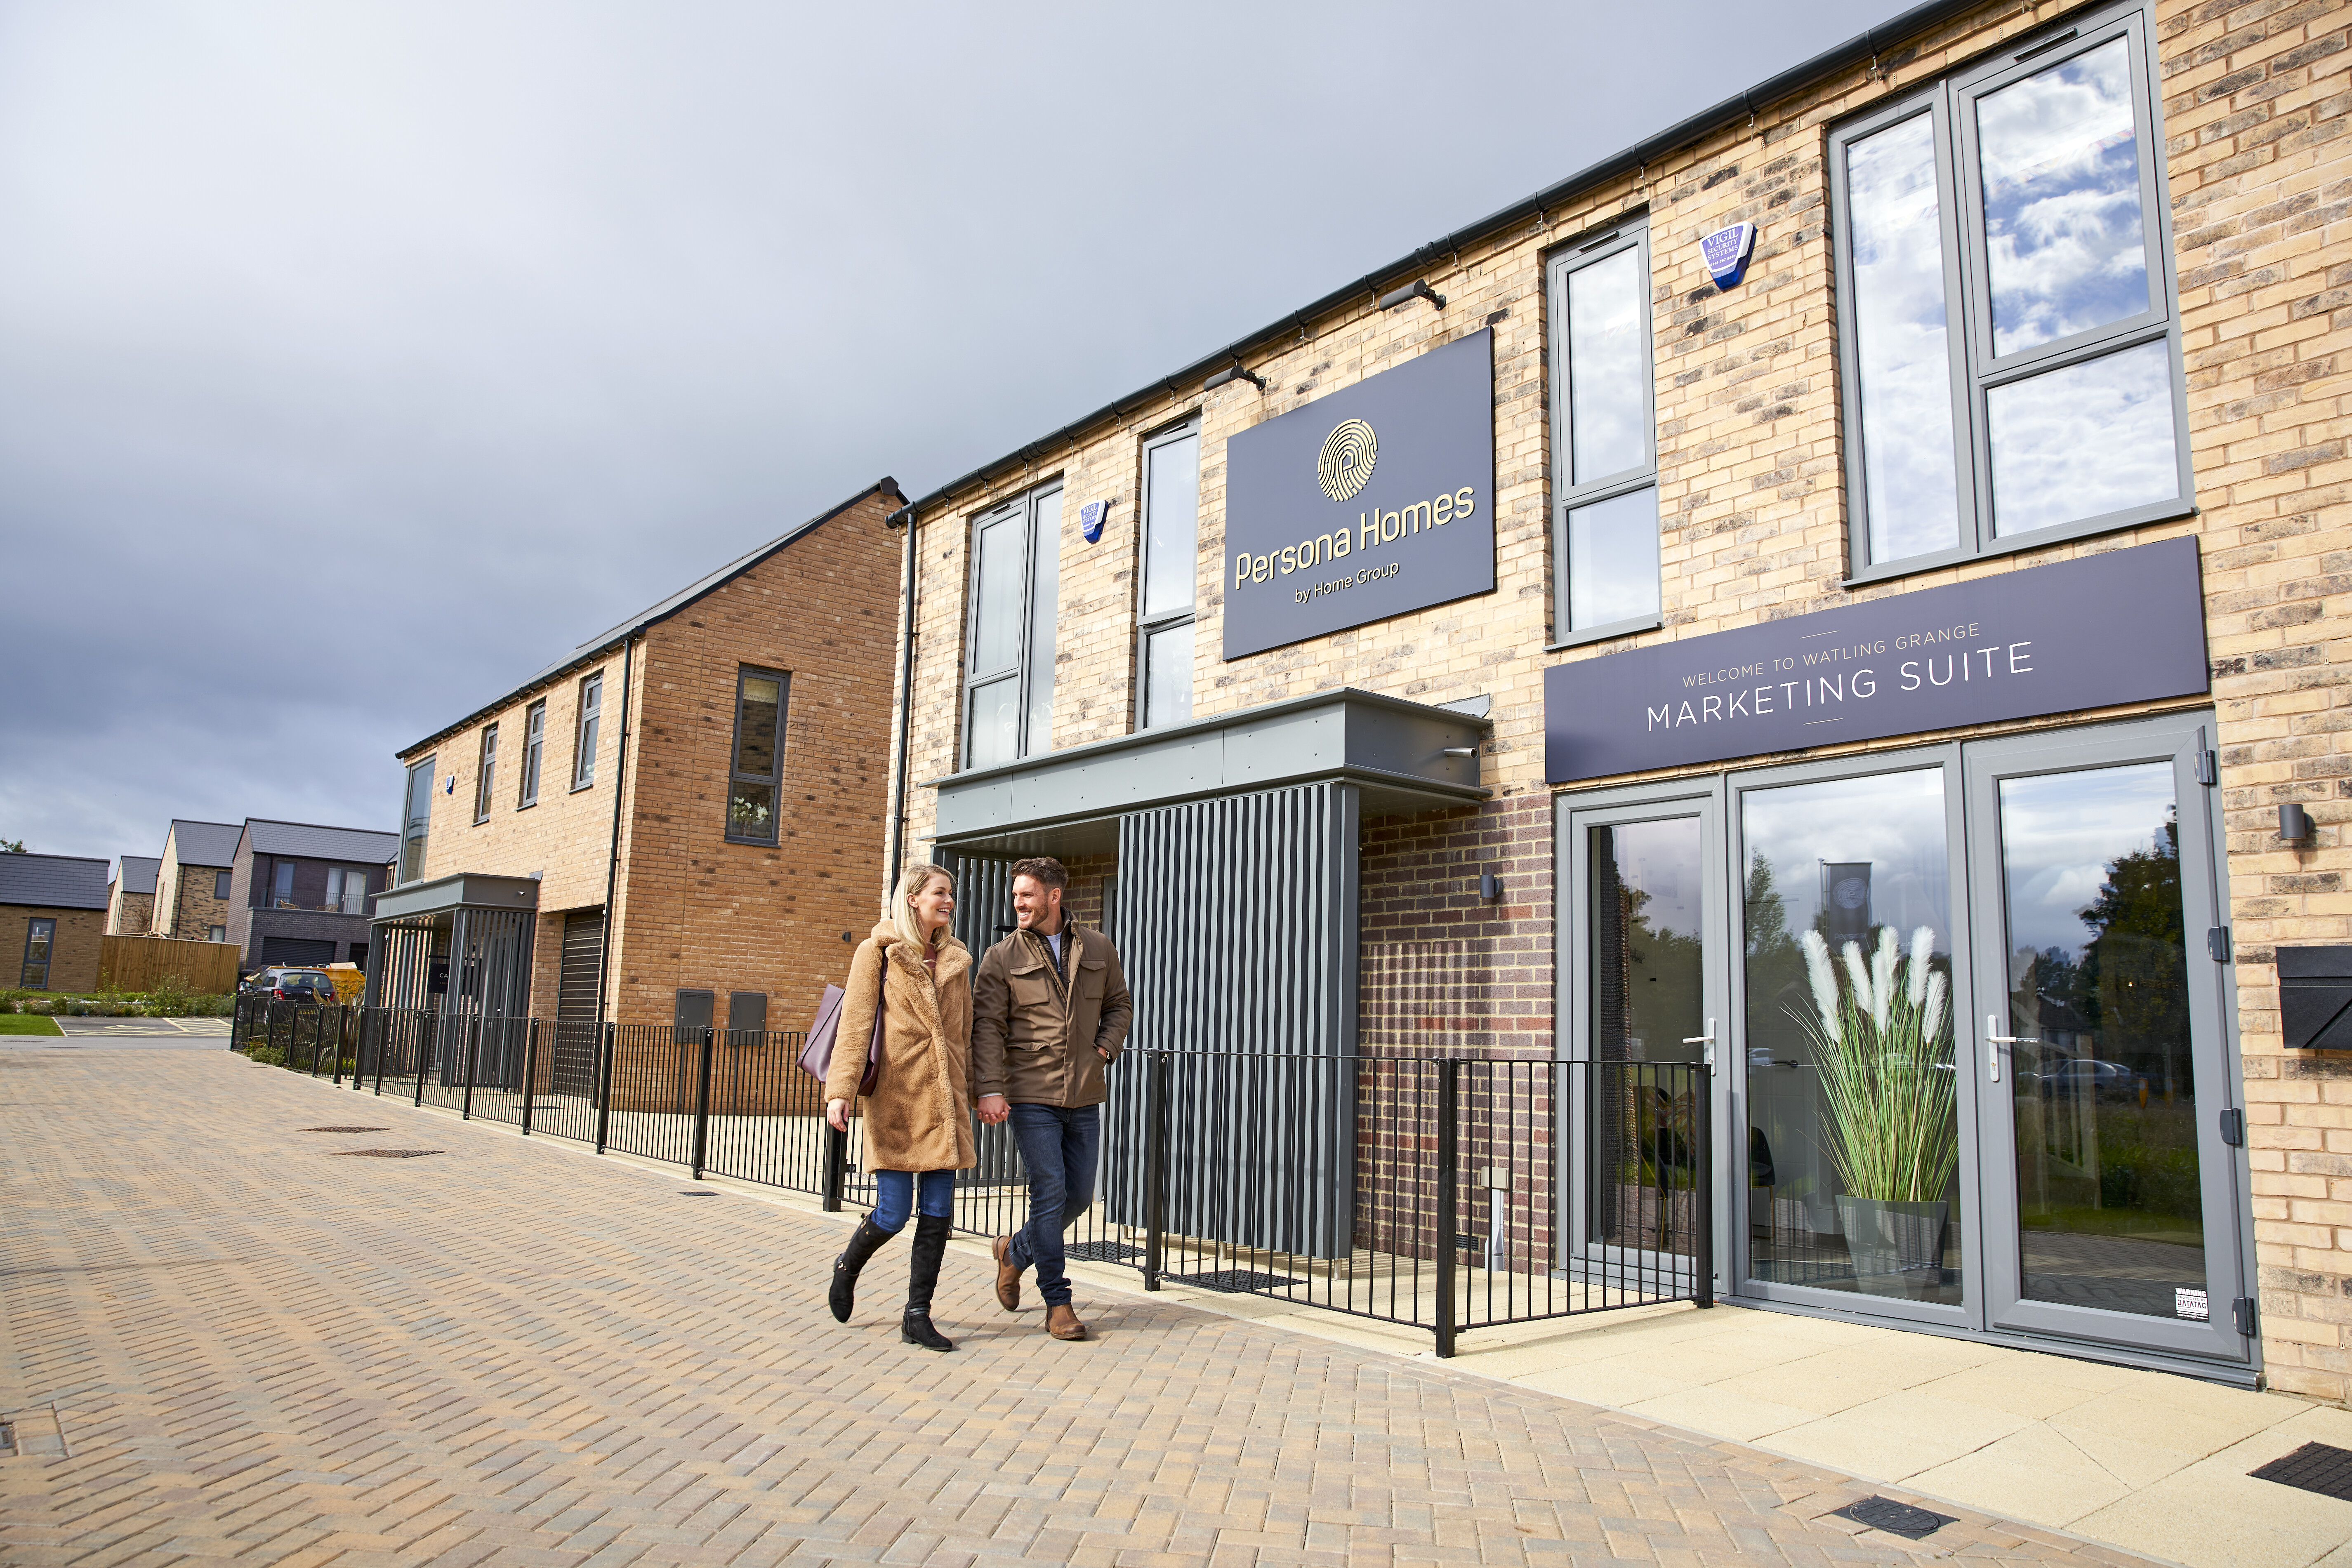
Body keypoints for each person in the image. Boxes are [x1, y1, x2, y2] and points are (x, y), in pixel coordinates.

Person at [971, 856, 1131, 1341]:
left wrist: (1106, 1047)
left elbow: (1119, 1003)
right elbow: (987, 1027)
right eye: (1016, 894)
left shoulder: (1100, 947)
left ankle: (1013, 1252)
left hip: (1083, 1093)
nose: (1018, 902)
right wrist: (990, 1087)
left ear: (1054, 896)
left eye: (1027, 894)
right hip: (1030, 1092)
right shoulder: (1001, 957)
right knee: (1050, 1193)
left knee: (1079, 1195)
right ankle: (1057, 1302)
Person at [824, 862, 974, 1352]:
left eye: (950, 893)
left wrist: (977, 1091)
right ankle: (847, 1265)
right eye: (939, 892)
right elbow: (855, 1024)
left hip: (945, 1101)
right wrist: (840, 1091)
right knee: (893, 1212)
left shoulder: (956, 959)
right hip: (896, 1096)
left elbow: (966, 1037)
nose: (948, 900)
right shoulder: (877, 953)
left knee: (937, 1213)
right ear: (913, 898)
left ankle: (917, 1314)